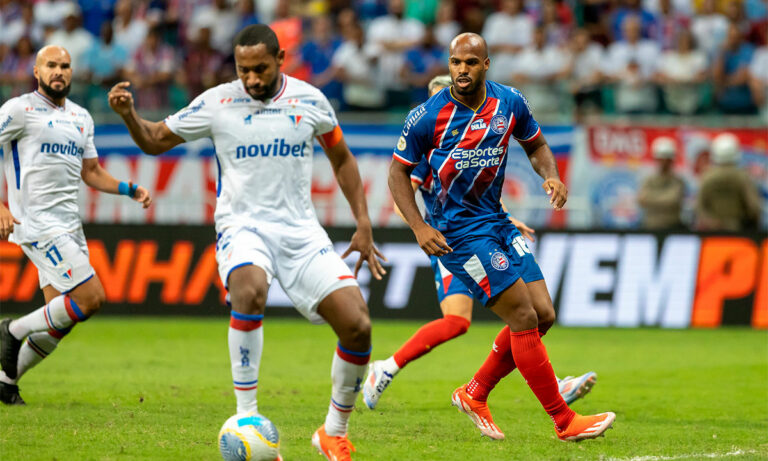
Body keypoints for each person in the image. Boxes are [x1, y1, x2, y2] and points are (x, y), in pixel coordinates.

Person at [107, 24, 385, 461]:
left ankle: (332, 432)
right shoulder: (218, 101)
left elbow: (343, 158)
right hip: (242, 228)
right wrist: (127, 115)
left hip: (300, 232)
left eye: (260, 69)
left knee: (358, 326)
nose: (251, 79)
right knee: (250, 291)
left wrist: (363, 222)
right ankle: (246, 418)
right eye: (243, 70)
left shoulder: (311, 100)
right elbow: (155, 140)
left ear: (280, 58)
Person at [388, 33, 615, 442]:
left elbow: (537, 144)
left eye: (470, 63)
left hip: (497, 222)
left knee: (543, 314)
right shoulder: (427, 115)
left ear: (486, 64)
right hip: (458, 234)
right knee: (523, 317)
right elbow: (397, 173)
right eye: (456, 62)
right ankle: (564, 421)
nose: (461, 70)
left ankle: (474, 393)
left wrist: (552, 176)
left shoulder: (509, 102)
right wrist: (420, 227)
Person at [0, 45, 152, 405]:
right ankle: (11, 329)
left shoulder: (82, 117)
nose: (59, 71)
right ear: (36, 72)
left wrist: (129, 189)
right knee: (91, 297)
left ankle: (5, 381)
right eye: (51, 65)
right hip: (37, 223)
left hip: (70, 224)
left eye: (65, 66)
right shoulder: (18, 110)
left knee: (61, 321)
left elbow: (92, 172)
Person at [695, 133, 762, 231]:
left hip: (712, 233)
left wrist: (711, 223)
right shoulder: (742, 177)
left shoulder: (707, 177)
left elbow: (699, 207)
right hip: (739, 232)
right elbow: (753, 207)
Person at [637, 136, 686, 230]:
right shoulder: (648, 180)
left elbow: (673, 200)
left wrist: (652, 198)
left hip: (672, 227)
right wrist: (664, 197)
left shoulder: (678, 181)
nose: (663, 162)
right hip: (650, 227)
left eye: (666, 159)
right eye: (660, 158)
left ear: (671, 160)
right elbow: (642, 199)